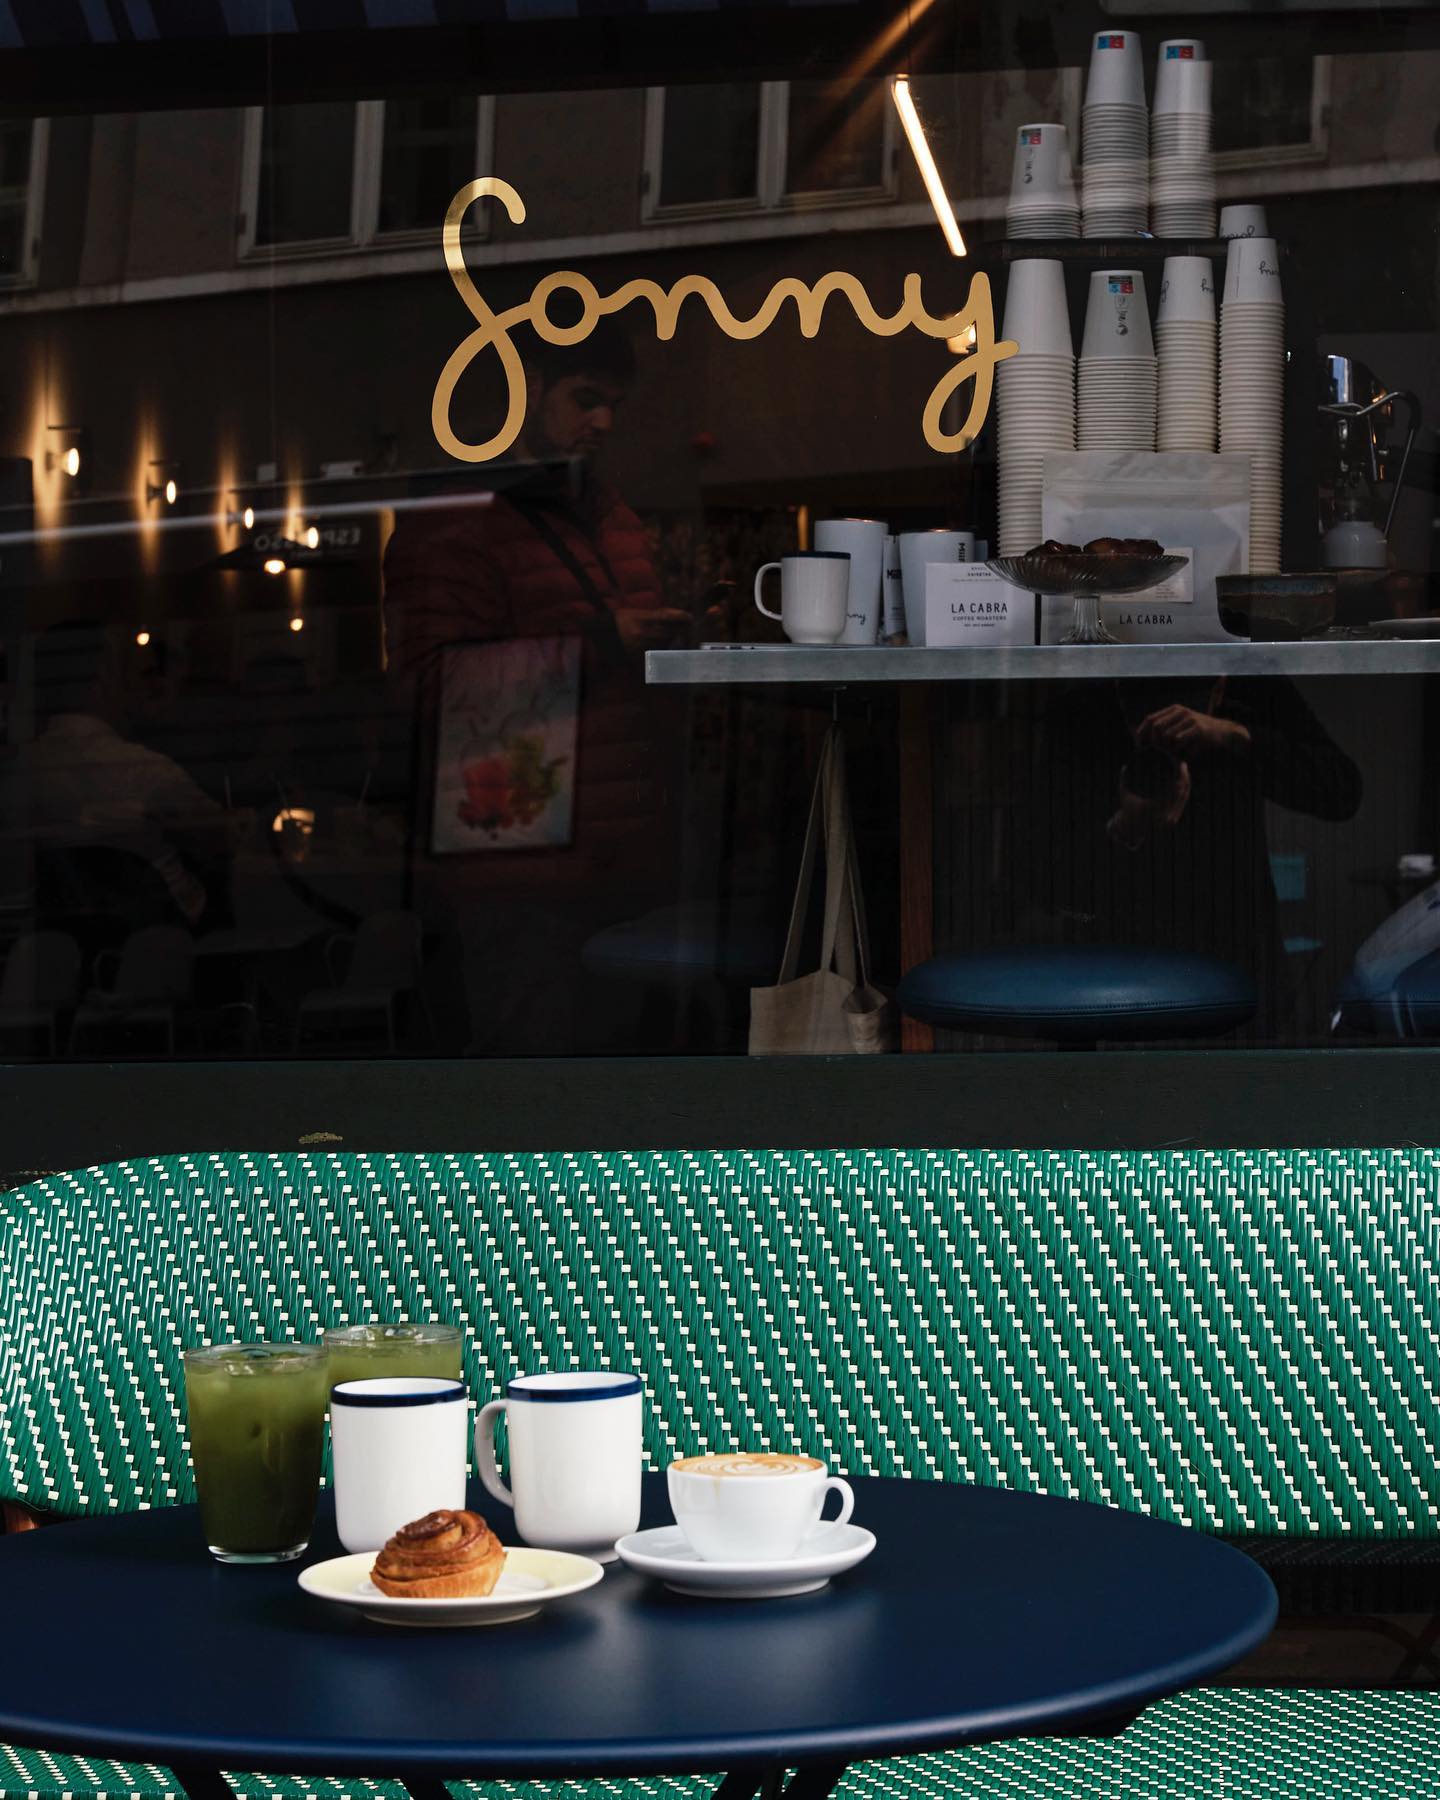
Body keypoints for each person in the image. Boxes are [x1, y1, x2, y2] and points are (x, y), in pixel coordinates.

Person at [383, 317, 693, 1054]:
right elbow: (429, 686)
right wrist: (601, 643)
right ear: (526, 391)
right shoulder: (460, 520)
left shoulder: (607, 513)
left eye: (614, 403)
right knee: (539, 1079)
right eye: (586, 398)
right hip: (522, 868)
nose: (604, 422)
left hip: (615, 859)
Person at [1011, 676, 1362, 1037]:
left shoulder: (1252, 689)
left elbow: (1342, 791)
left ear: (1220, 690)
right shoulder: (1083, 713)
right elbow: (1040, 878)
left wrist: (1234, 736)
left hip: (1230, 961)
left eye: (1182, 728)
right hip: (1118, 970)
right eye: (1146, 725)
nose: (1167, 741)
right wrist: (1126, 827)